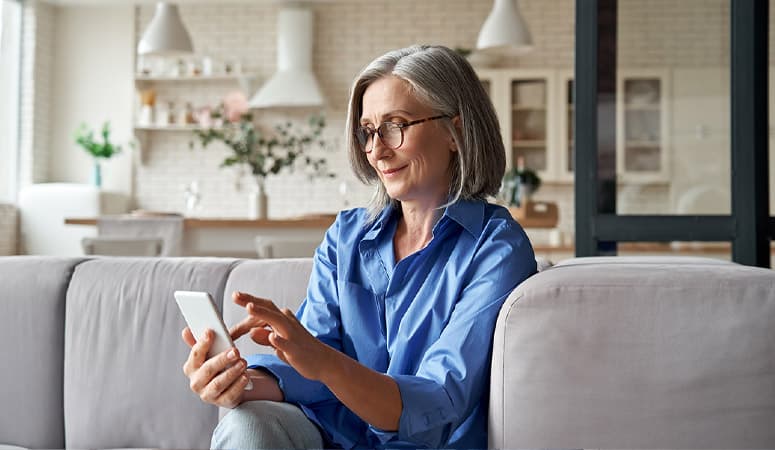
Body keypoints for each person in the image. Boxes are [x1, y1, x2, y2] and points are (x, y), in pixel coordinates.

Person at [181, 44, 537, 449]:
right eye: (368, 131)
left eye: (395, 125)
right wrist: (236, 382)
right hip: (333, 439)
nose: (376, 150)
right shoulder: (346, 236)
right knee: (247, 422)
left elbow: (438, 401)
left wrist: (323, 362)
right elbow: (311, 369)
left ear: (454, 132)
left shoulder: (495, 248)